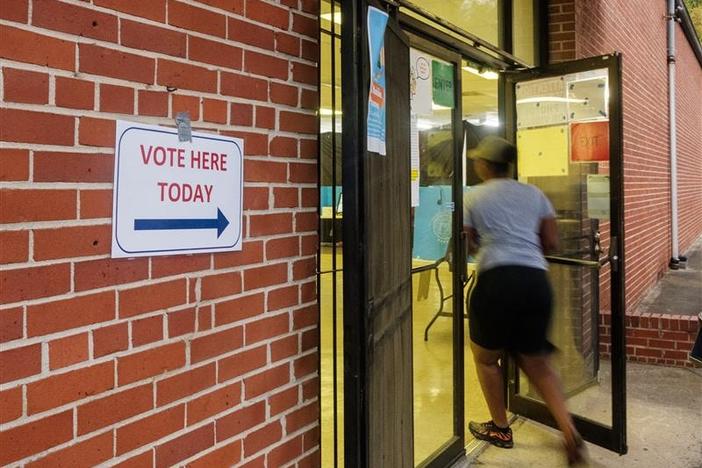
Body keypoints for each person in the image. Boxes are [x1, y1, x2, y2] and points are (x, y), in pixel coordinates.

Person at [463, 136, 587, 465]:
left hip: (496, 281)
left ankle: (500, 428)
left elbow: (467, 242)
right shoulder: (534, 194)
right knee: (537, 362)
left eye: (478, 160)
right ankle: (568, 430)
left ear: (485, 165)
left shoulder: (473, 196)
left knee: (486, 358)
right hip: (534, 282)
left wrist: (486, 242)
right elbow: (550, 241)